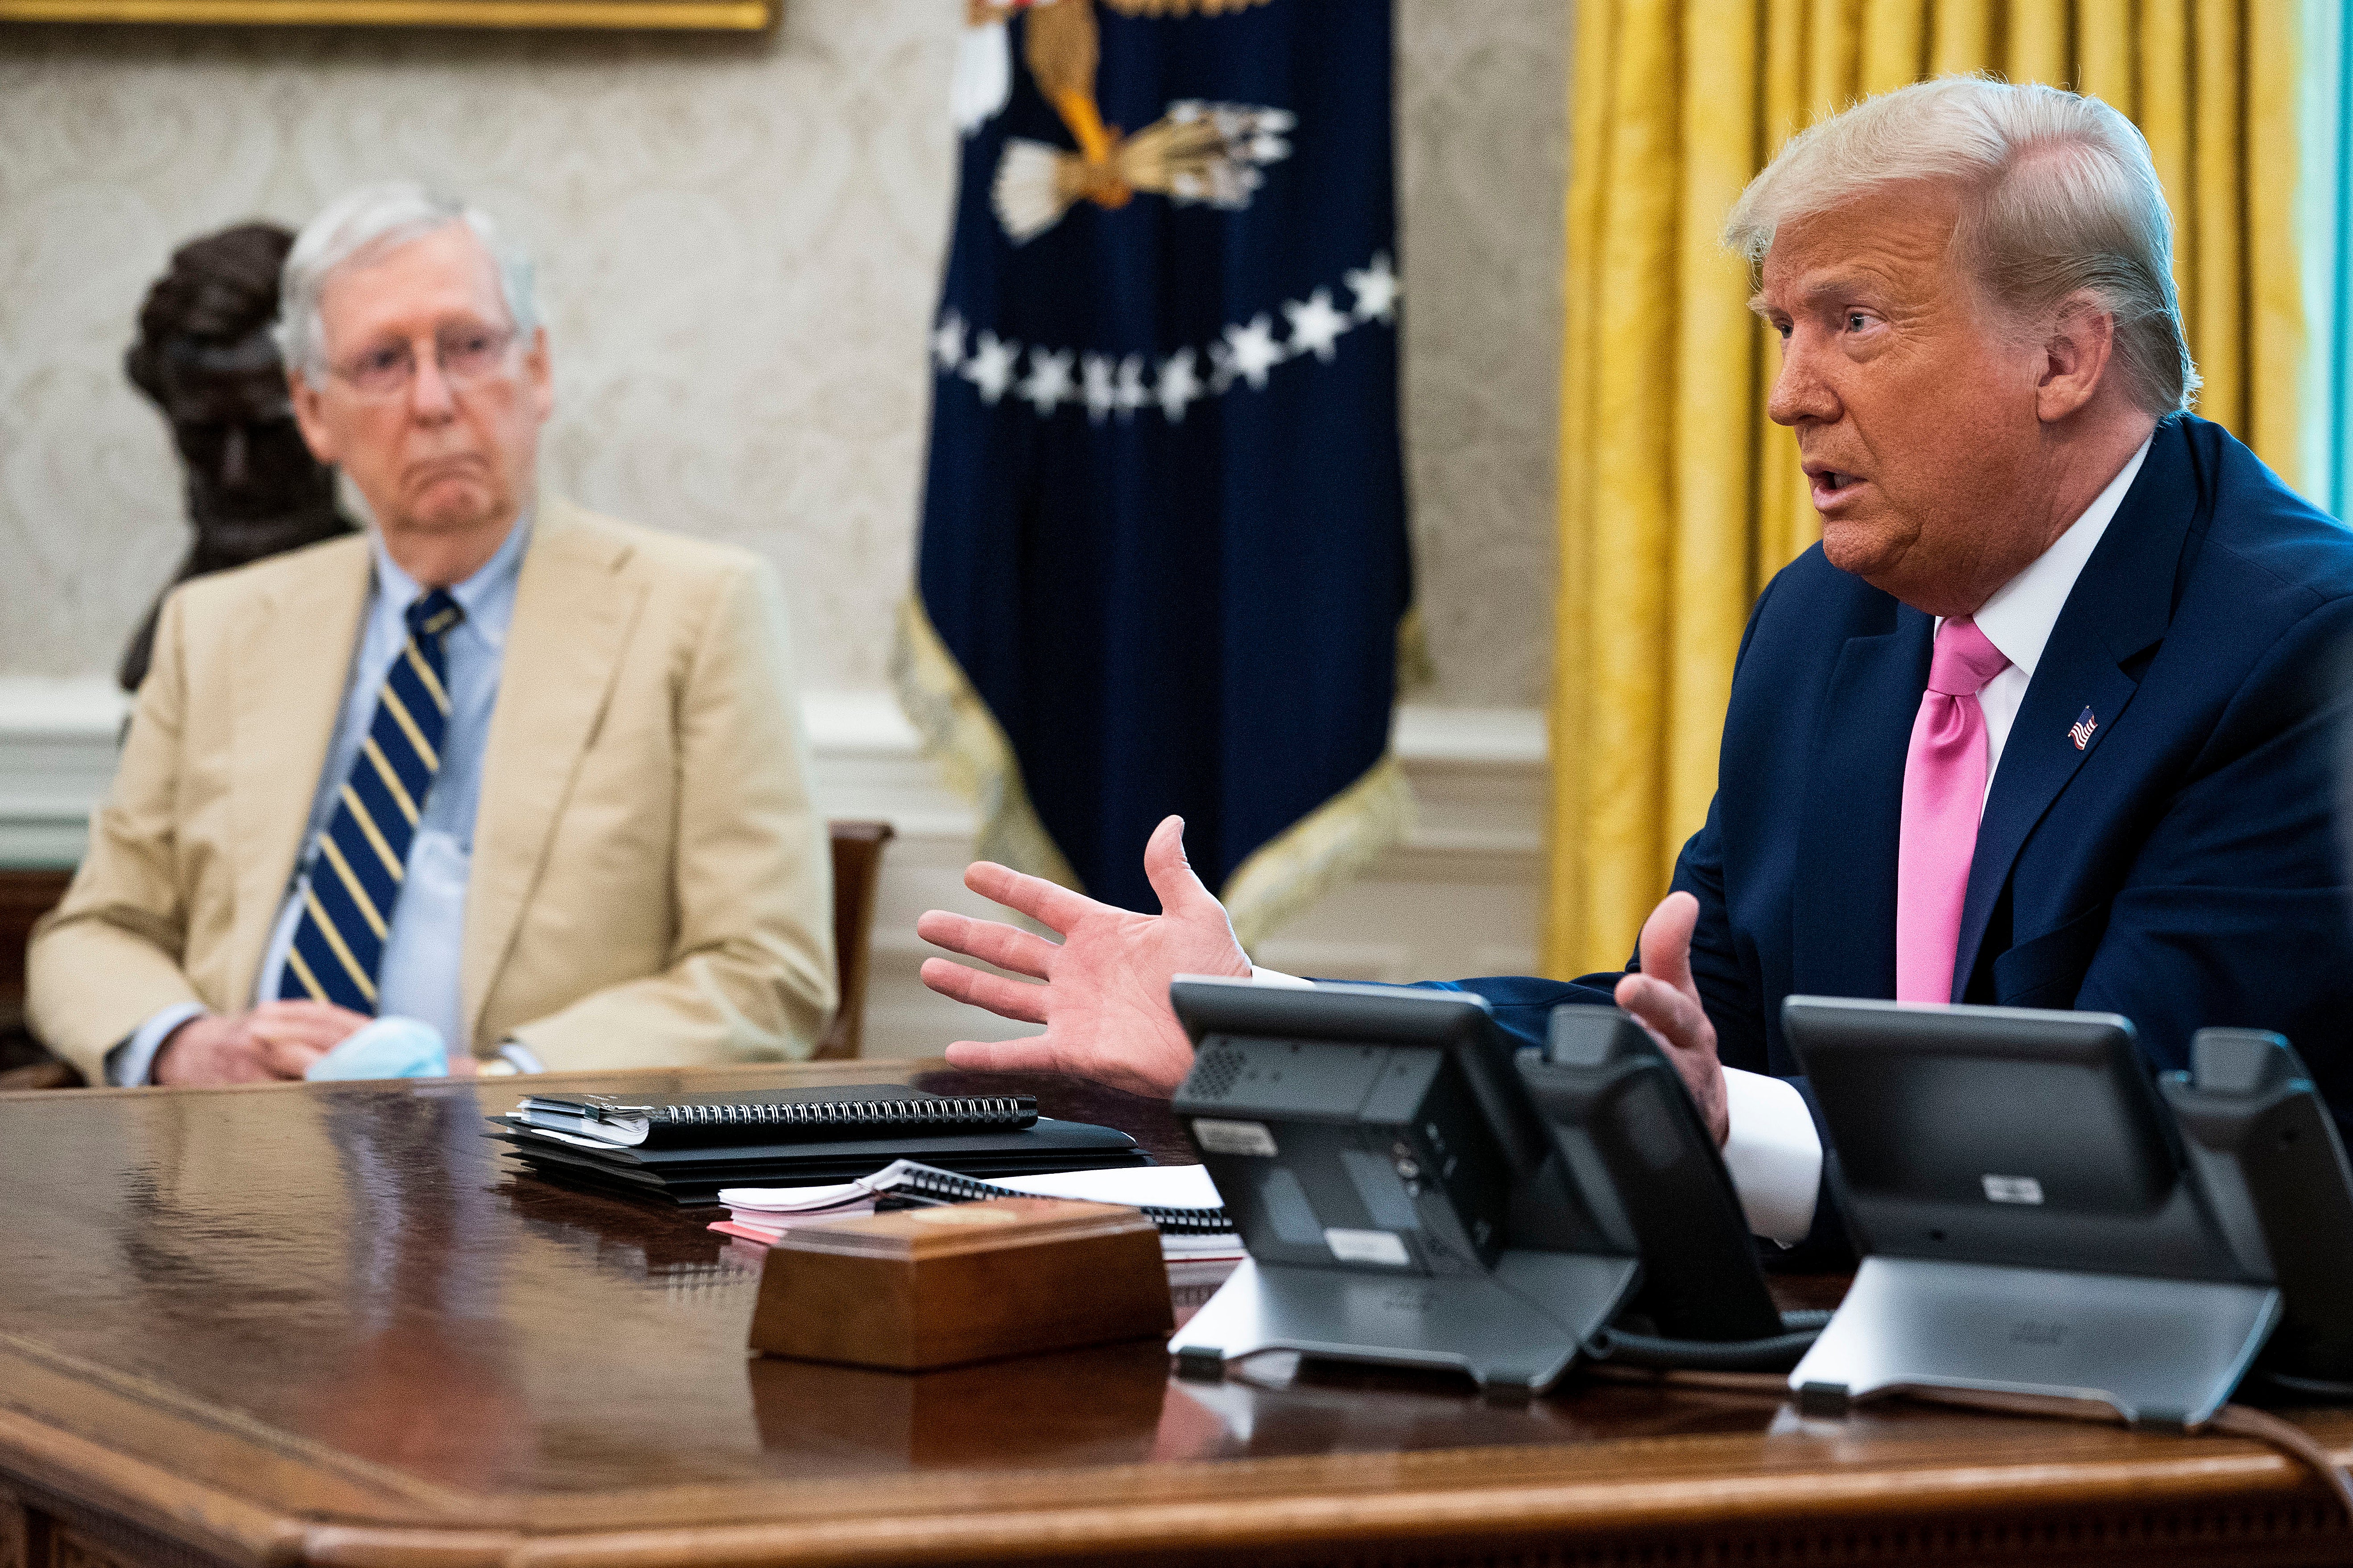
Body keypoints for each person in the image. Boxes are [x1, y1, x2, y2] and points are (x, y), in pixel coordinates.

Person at [915, 77, 2353, 1254]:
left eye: (1854, 320)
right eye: (1782, 328)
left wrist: (1734, 1127)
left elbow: (2136, 1155)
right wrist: (1261, 1032)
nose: (1790, 393)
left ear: (2064, 357)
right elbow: (1680, 1012)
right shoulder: (1826, 626)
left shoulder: (2298, 654)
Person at [29, 183, 835, 1087]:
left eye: (469, 347)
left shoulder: (698, 612)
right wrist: (185, 1048)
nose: (434, 399)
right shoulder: (214, 627)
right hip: (228, 1164)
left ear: (536, 371)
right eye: (381, 362)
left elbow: (767, 972)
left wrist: (497, 1084)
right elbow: (93, 933)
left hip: (533, 1182)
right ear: (313, 412)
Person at [119, 221, 356, 695]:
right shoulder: (169, 650)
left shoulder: (398, 628)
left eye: (273, 434)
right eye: (202, 435)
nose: (236, 475)